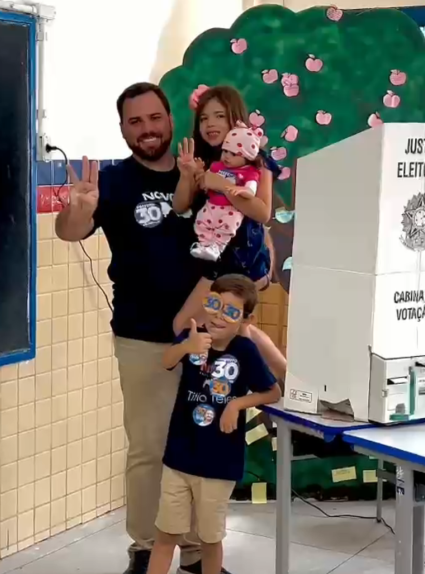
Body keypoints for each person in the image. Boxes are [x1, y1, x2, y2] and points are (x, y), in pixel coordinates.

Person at [54, 82, 277, 574]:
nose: (147, 129)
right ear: (123, 129)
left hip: (212, 340)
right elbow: (69, 232)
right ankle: (145, 548)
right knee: (150, 447)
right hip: (141, 334)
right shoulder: (111, 182)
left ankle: (198, 554)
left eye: (154, 118)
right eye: (135, 122)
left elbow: (253, 223)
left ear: (171, 120)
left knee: (203, 444)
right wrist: (80, 209)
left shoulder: (207, 171)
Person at [147, 275, 281, 574]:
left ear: (246, 319)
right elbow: (167, 361)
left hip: (219, 463)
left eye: (231, 312)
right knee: (166, 534)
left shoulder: (245, 351)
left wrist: (236, 404)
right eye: (214, 305)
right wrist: (187, 347)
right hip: (178, 457)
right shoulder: (193, 335)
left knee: (210, 538)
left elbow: (273, 392)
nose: (220, 316)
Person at [171, 86, 286, 379]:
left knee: (185, 324)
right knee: (239, 330)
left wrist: (221, 184)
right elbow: (180, 205)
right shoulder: (205, 161)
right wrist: (189, 175)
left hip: (243, 263)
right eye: (203, 118)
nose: (210, 124)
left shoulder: (258, 161)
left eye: (219, 116)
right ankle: (284, 383)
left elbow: (262, 212)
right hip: (216, 261)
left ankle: (275, 383)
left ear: (235, 118)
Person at [188, 123, 267, 262]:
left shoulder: (249, 172)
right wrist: (199, 172)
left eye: (234, 154)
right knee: (201, 220)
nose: (227, 157)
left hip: (230, 210)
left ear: (247, 157)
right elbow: (205, 181)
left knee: (226, 226)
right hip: (212, 205)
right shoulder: (217, 166)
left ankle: (216, 248)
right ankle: (204, 245)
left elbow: (250, 191)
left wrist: (240, 190)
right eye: (225, 151)